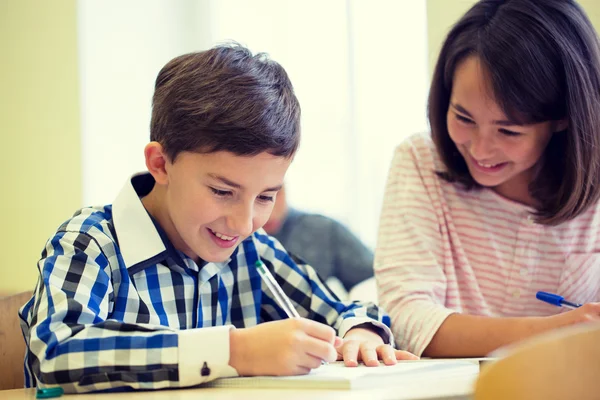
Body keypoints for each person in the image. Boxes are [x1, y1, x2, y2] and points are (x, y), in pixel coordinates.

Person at [19, 44, 416, 393]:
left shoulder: (249, 251)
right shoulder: (92, 241)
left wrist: (359, 332)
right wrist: (234, 351)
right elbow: (55, 354)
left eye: (265, 197)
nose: (244, 224)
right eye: (222, 192)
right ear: (161, 163)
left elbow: (345, 311)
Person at [375, 0, 600, 358]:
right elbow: (405, 317)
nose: (480, 150)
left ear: (563, 119)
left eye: (508, 131)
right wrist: (558, 330)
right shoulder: (420, 160)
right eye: (463, 118)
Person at [263, 186, 374, 292]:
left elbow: (373, 277)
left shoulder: (324, 229)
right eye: (260, 197)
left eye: (273, 194)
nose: (270, 211)